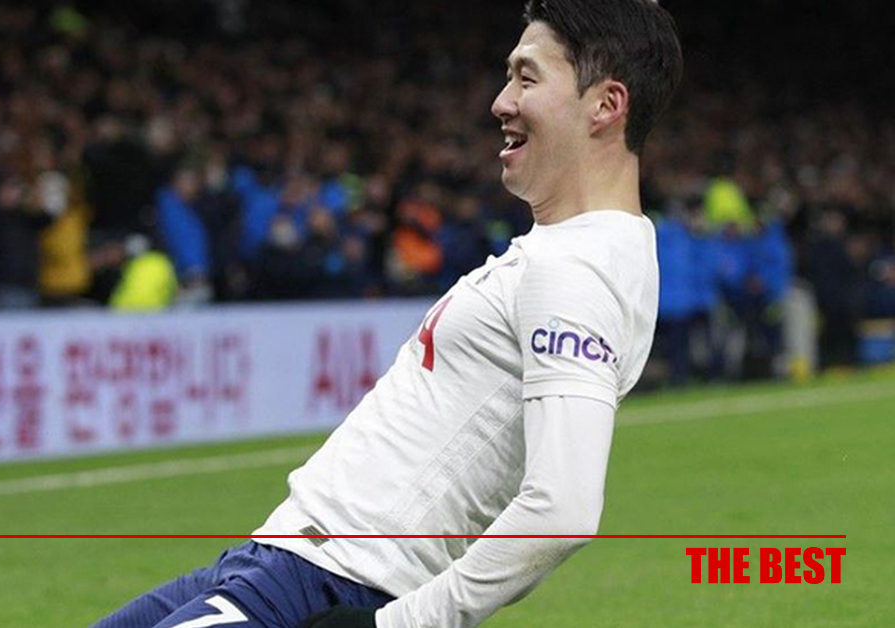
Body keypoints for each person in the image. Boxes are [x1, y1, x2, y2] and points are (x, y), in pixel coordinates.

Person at [90, 2, 682, 628]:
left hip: (336, 581)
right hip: (282, 561)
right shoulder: (574, 251)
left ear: (606, 105)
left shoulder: (577, 268)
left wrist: (395, 625)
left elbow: (563, 508)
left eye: (526, 78)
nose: (501, 102)